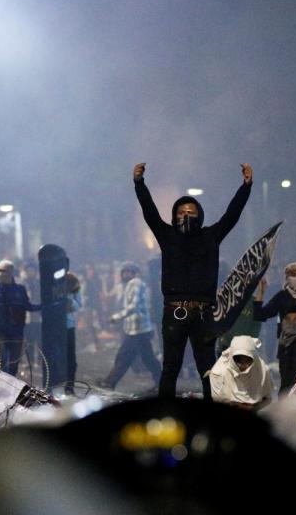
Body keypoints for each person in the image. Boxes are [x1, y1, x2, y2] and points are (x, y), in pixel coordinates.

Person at [133, 161, 252, 400]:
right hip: (174, 312)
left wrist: (246, 187)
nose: (185, 216)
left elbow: (232, 215)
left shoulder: (211, 236)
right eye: (180, 212)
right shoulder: (166, 235)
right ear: (174, 215)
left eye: (190, 212)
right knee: (171, 368)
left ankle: (210, 416)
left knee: (208, 369)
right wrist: (139, 183)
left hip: (203, 313)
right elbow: (149, 211)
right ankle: (165, 413)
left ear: (199, 215)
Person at [100, 262, 161, 390]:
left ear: (134, 273)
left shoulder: (135, 283)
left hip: (137, 330)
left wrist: (117, 317)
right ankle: (162, 381)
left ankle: (109, 382)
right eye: (124, 272)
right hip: (137, 329)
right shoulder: (128, 285)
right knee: (147, 358)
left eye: (129, 272)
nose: (125, 274)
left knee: (124, 357)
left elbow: (134, 306)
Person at [0, 260, 40, 376]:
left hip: (16, 330)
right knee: (2, 361)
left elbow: (28, 306)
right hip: (0, 331)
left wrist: (44, 306)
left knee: (14, 362)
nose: (1, 273)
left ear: (11, 272)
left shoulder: (20, 289)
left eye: (4, 271)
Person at [209, 335, 275, 411]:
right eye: (238, 359)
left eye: (248, 360)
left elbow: (267, 398)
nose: (243, 364)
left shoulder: (261, 370)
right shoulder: (218, 373)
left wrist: (253, 407)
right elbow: (218, 401)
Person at [63, 271, 83, 392]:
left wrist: (70, 301)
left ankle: (69, 387)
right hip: (53, 326)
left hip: (68, 325)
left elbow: (78, 304)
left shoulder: (72, 280)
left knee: (70, 359)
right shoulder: (50, 278)